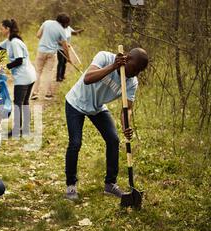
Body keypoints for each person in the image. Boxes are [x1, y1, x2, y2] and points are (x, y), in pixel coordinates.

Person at [64, 48, 149, 200]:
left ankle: (110, 184)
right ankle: (71, 187)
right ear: (127, 58)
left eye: (139, 71)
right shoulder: (104, 57)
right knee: (75, 143)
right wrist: (113, 67)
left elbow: (127, 108)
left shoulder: (131, 82)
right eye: (134, 68)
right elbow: (87, 78)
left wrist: (125, 125)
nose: (135, 73)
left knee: (113, 140)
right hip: (76, 102)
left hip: (97, 107)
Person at [0, 19, 36, 138]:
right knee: (24, 102)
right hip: (28, 75)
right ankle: (24, 129)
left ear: (7, 28)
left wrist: (5, 67)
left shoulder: (15, 42)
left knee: (18, 103)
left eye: (1, 28)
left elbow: (19, 60)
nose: (0, 30)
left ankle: (17, 130)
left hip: (24, 77)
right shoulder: (9, 41)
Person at [31, 14, 70, 101]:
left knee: (37, 72)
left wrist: (45, 39)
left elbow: (38, 35)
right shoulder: (62, 30)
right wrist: (68, 58)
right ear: (64, 23)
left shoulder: (47, 22)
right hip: (51, 53)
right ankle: (48, 94)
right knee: (48, 72)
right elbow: (65, 46)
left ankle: (34, 93)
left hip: (41, 51)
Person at [56, 14, 84, 82]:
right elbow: (57, 40)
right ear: (64, 23)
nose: (69, 24)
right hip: (60, 49)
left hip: (66, 49)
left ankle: (62, 76)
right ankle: (58, 77)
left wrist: (80, 31)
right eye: (67, 22)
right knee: (61, 62)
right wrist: (63, 44)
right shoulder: (60, 29)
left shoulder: (68, 28)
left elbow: (73, 32)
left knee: (65, 62)